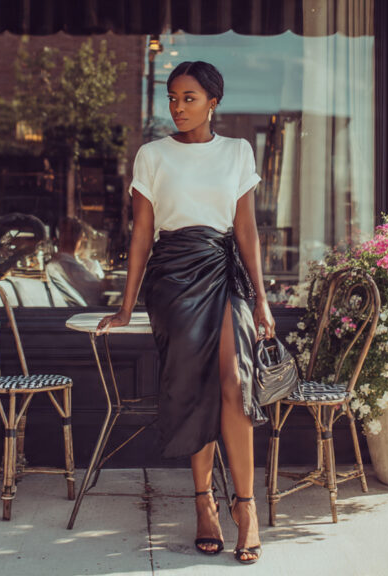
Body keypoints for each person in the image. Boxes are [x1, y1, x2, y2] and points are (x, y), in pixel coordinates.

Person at [96, 61, 274, 565]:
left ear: (213, 101)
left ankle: (245, 507)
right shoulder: (152, 155)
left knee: (235, 384)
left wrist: (260, 297)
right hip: (173, 278)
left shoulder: (238, 151)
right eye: (172, 98)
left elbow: (246, 230)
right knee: (194, 387)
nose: (177, 107)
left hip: (223, 270)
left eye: (189, 97)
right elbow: (140, 235)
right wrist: (127, 304)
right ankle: (204, 506)